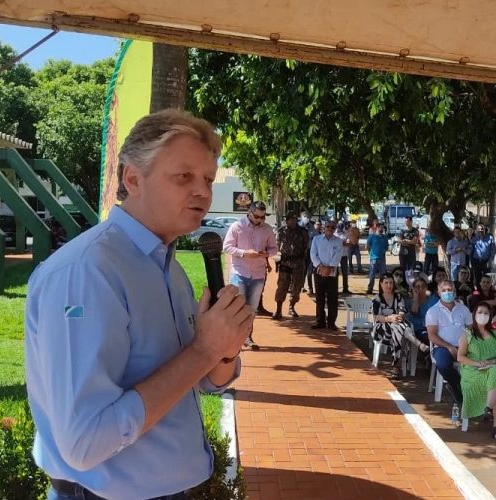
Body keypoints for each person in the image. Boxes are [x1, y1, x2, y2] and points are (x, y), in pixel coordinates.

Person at [25, 109, 253, 499]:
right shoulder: (88, 272)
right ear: (133, 178)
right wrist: (205, 350)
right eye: (184, 177)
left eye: (208, 179)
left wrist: (224, 354)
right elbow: (84, 442)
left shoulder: (169, 269)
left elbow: (204, 383)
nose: (202, 191)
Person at [459, 302, 496, 442]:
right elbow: (460, 357)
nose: (483, 315)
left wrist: (493, 361)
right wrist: (477, 363)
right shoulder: (467, 334)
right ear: (474, 315)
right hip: (473, 371)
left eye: (486, 313)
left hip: (492, 368)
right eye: (480, 312)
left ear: (490, 316)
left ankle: (487, 408)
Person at [223, 200, 277, 349]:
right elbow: (227, 246)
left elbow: (274, 249)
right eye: (257, 217)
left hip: (258, 275)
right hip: (239, 272)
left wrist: (266, 253)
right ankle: (234, 340)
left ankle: (247, 337)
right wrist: (244, 253)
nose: (260, 220)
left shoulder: (267, 230)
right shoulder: (237, 226)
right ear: (249, 213)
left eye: (262, 217)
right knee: (237, 308)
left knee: (251, 309)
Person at [426, 281, 474, 425]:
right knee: (444, 365)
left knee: (477, 366)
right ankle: (461, 395)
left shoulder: (463, 309)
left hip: (464, 346)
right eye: (444, 290)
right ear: (439, 293)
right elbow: (432, 335)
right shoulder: (433, 311)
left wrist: (464, 345)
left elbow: (471, 329)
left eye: (450, 290)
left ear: (454, 291)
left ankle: (456, 392)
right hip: (442, 347)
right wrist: (449, 347)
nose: (448, 292)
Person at [372, 274, 428, 377]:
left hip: (397, 326)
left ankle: (395, 367)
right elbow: (376, 317)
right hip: (382, 328)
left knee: (397, 329)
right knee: (398, 329)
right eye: (386, 283)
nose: (389, 285)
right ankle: (418, 344)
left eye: (391, 283)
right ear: (381, 284)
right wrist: (389, 318)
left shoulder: (398, 297)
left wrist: (399, 317)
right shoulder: (377, 298)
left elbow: (402, 311)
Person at [273, 212, 309, 320]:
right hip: (285, 262)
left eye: (294, 219)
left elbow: (305, 247)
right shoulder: (281, 231)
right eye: (289, 219)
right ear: (287, 220)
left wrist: (301, 259)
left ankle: (291, 307)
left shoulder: (302, 232)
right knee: (282, 286)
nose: (291, 221)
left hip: (298, 263)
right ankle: (278, 309)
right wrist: (277, 259)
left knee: (296, 287)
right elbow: (277, 246)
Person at [310, 219, 344, 330]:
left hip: (332, 271)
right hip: (319, 270)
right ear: (324, 227)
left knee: (332, 298)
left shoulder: (338, 241)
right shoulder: (316, 239)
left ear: (335, 229)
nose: (330, 229)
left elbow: (338, 256)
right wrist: (321, 267)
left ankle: (331, 322)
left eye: (332, 227)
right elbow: (313, 254)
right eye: (328, 226)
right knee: (319, 297)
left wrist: (329, 268)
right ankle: (320, 321)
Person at [365, 223, 389, 295]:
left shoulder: (385, 237)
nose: (381, 229)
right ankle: (370, 289)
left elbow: (386, 247)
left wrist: (384, 251)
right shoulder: (371, 237)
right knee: (372, 275)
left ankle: (381, 289)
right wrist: (371, 253)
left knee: (382, 275)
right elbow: (367, 246)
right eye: (380, 227)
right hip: (373, 259)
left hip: (382, 258)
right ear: (377, 228)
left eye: (382, 227)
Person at [304, 219, 322, 293]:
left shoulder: (318, 234)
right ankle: (307, 287)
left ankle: (314, 288)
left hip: (315, 254)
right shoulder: (306, 232)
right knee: (307, 271)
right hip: (306, 252)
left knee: (311, 272)